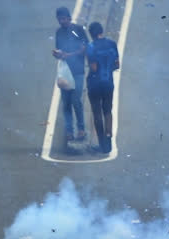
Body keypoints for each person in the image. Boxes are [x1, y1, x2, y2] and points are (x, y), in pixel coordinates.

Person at [52, 7, 88, 143]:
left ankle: (81, 129)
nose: (62, 21)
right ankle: (69, 131)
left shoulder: (78, 30)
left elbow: (85, 48)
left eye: (63, 18)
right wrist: (57, 54)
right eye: (59, 19)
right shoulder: (59, 32)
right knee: (66, 103)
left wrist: (69, 55)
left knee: (76, 100)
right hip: (65, 72)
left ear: (69, 18)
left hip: (77, 70)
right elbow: (59, 49)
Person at [86, 22, 119, 153]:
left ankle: (101, 144)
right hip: (108, 82)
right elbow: (117, 64)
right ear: (101, 31)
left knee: (97, 112)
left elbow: (93, 67)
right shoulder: (112, 44)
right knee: (107, 111)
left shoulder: (91, 46)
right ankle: (108, 138)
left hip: (95, 83)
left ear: (91, 34)